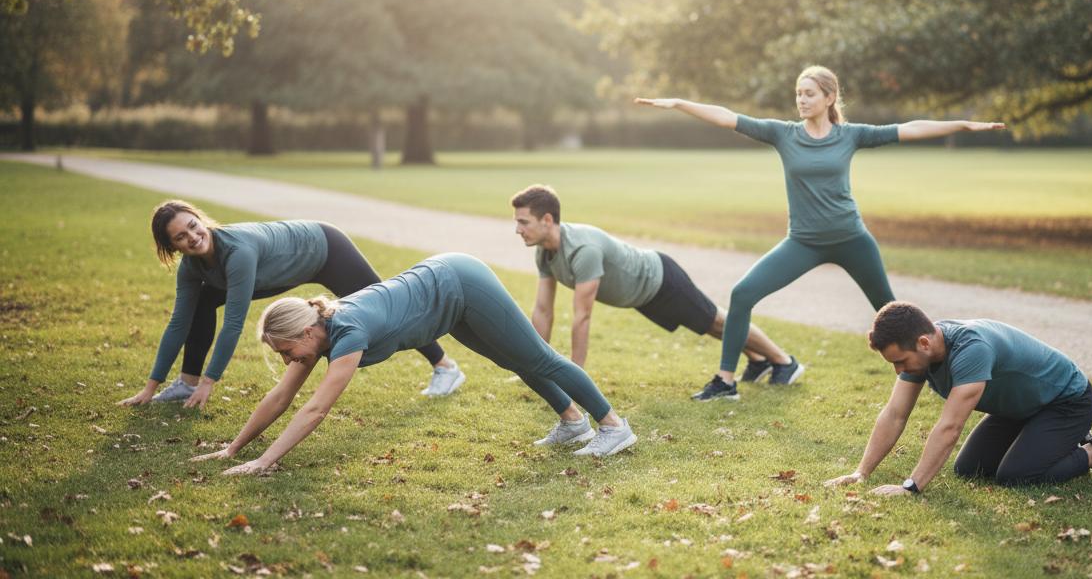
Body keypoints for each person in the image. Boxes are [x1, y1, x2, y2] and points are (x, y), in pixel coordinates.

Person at [636, 66, 1004, 400]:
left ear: (830, 98)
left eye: (809, 94)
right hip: (803, 242)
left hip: (851, 240)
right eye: (798, 93)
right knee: (743, 293)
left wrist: (964, 125)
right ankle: (725, 381)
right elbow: (728, 118)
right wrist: (679, 103)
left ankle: (947, 366)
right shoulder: (783, 134)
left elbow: (909, 128)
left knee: (891, 311)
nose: (801, 100)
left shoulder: (850, 135)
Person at [190, 253, 636, 474]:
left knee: (538, 357)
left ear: (306, 332)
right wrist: (233, 449)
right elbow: (282, 395)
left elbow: (315, 408)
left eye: (287, 352)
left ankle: (614, 427)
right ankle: (572, 422)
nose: (290, 361)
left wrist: (265, 462)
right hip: (445, 304)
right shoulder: (317, 332)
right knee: (513, 361)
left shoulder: (347, 333)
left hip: (461, 282)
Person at [119, 200, 464, 409]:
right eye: (181, 237)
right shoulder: (191, 268)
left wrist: (213, 382)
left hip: (325, 248)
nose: (193, 237)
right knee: (199, 305)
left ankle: (446, 368)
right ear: (173, 247)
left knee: (390, 312)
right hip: (284, 270)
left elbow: (235, 324)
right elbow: (177, 324)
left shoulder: (237, 252)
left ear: (200, 219)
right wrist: (150, 387)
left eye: (194, 226)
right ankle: (185, 383)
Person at [823, 301, 1092, 495]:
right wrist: (861, 472)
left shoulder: (971, 350)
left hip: (1066, 401)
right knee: (969, 469)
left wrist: (912, 485)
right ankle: (1055, 442)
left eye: (900, 362)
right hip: (1020, 409)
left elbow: (950, 427)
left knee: (1015, 475)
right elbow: (895, 414)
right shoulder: (924, 352)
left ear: (922, 342)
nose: (898, 371)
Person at [511, 184, 795, 383]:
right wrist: (537, 368)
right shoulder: (544, 251)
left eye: (524, 222)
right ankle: (758, 361)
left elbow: (582, 317)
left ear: (547, 220)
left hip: (661, 279)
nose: (518, 230)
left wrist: (575, 378)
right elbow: (543, 310)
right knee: (708, 325)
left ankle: (784, 362)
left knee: (717, 321)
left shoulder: (582, 250)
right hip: (643, 296)